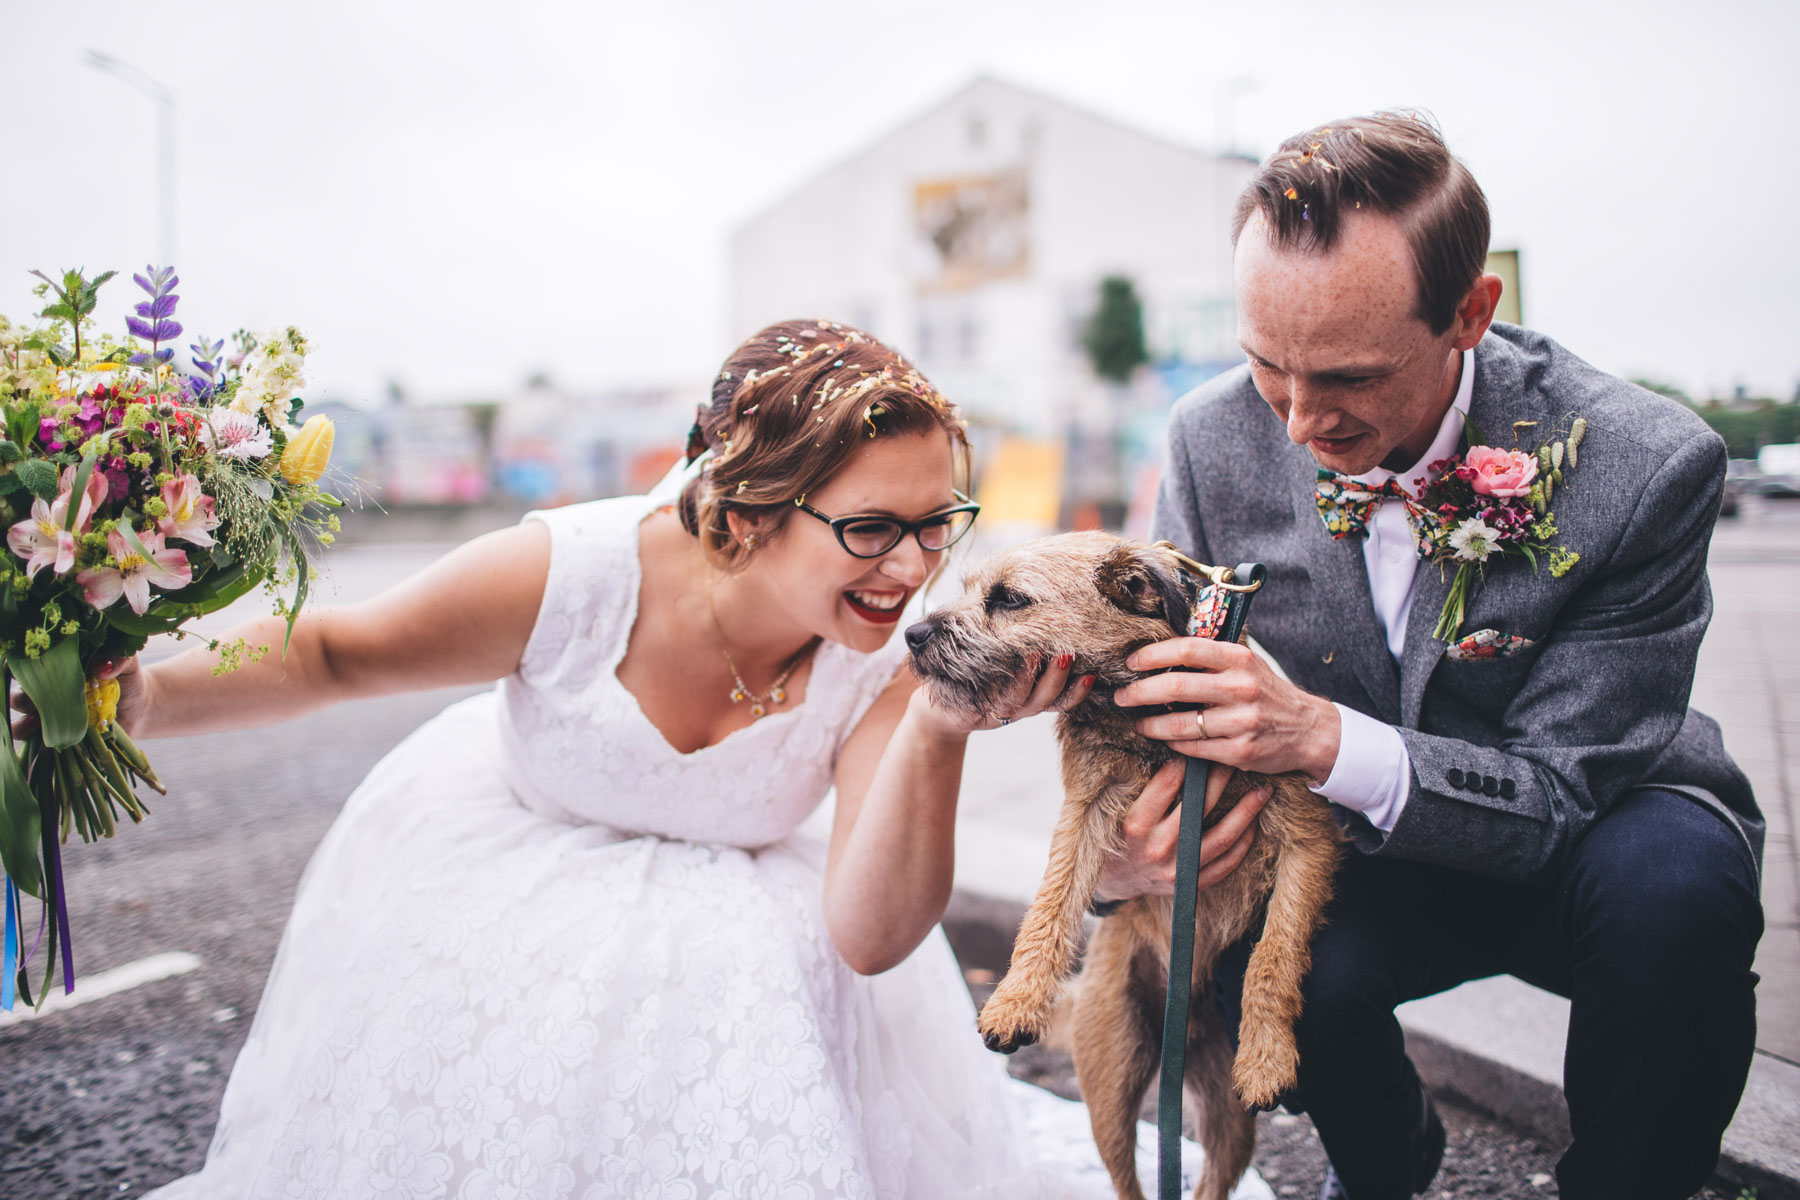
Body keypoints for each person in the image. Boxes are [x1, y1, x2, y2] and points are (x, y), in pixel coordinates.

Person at [104, 319, 1261, 1199]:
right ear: (753, 505)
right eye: (871, 528)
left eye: (935, 523)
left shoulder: (890, 658)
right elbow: (333, 654)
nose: (912, 571)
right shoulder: (575, 571)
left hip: (752, 919)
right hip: (503, 877)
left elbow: (866, 935)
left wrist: (937, 728)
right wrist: (128, 698)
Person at [1100, 114, 1764, 1200]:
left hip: (1596, 826)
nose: (1302, 421)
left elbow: (1558, 794)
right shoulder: (1208, 441)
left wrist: (1317, 733)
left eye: (1350, 378)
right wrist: (1126, 839)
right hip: (1359, 841)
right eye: (1268, 365)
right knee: (1256, 961)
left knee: (1677, 894)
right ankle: (1388, 1162)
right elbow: (1169, 686)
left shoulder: (1647, 461)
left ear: (1470, 312)